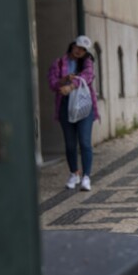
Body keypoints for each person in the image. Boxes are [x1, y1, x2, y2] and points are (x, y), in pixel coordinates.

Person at [48, 35, 99, 191]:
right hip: (65, 106)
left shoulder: (87, 63)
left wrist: (71, 86)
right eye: (78, 47)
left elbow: (87, 76)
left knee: (84, 142)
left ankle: (86, 177)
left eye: (83, 50)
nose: (79, 51)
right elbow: (52, 83)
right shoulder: (59, 62)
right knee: (70, 144)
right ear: (72, 46)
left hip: (84, 106)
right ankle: (73, 173)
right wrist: (63, 81)